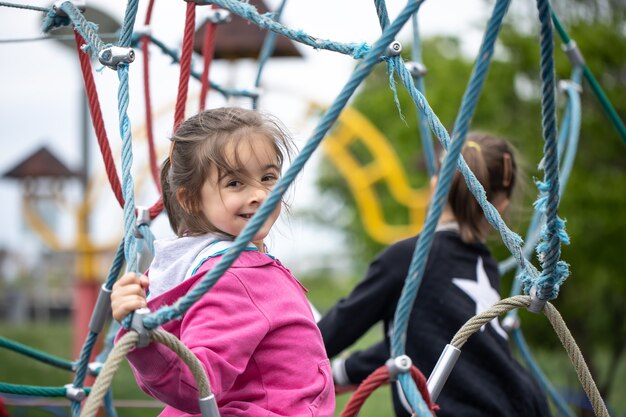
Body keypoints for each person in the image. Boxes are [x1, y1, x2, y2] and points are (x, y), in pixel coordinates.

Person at [111, 107, 334, 417]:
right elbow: (196, 383)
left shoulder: (208, 264)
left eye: (268, 177)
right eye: (234, 183)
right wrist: (143, 339)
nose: (259, 193)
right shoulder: (235, 275)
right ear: (190, 200)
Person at [318, 133, 551, 417]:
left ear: (433, 188)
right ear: (500, 206)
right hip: (520, 404)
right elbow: (422, 341)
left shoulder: (407, 258)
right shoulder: (484, 264)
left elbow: (336, 329)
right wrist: (343, 372)